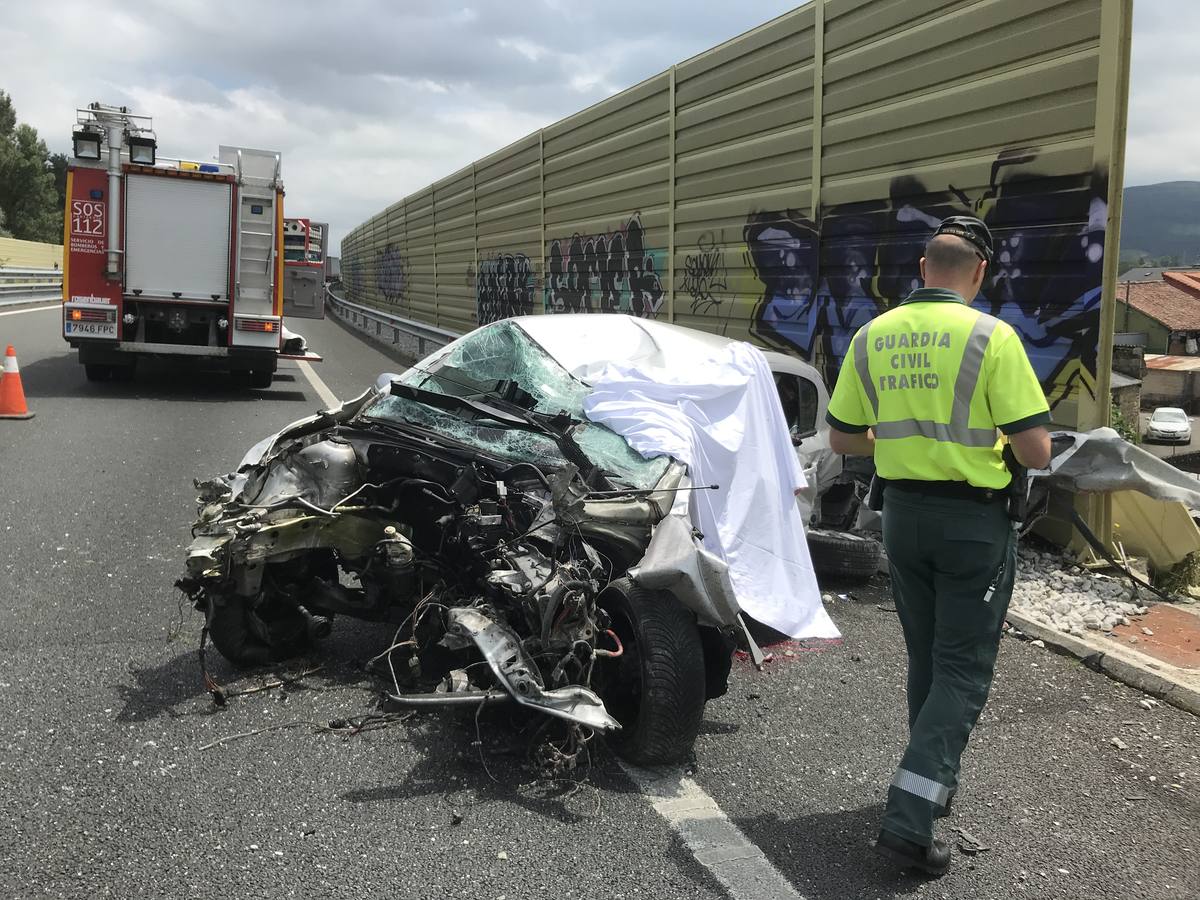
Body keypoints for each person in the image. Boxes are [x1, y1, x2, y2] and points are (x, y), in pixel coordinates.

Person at [824, 216, 1052, 877]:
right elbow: (1035, 448)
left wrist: (902, 444)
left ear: (924, 269)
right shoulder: (992, 337)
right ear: (978, 274)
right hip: (972, 526)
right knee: (962, 670)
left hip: (904, 520)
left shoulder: (873, 335)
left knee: (927, 660)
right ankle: (909, 818)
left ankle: (932, 784)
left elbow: (842, 438)